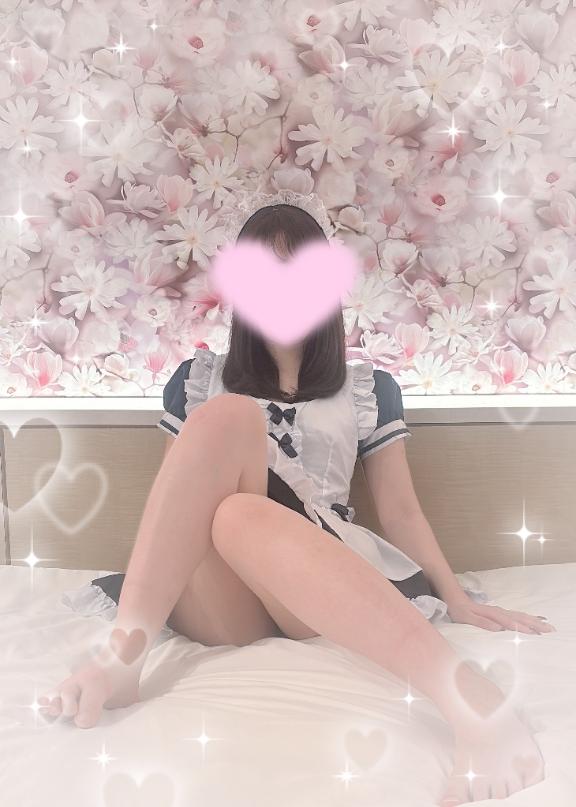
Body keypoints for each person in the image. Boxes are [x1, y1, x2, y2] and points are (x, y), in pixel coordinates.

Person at [40, 189, 554, 805]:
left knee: (240, 509)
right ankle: (125, 657)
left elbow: (400, 510)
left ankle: (468, 696)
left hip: (312, 574)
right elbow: (176, 509)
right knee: (227, 437)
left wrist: (455, 596)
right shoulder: (198, 380)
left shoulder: (367, 388)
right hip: (225, 601)